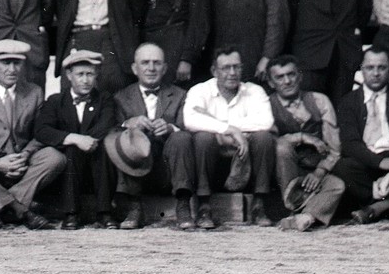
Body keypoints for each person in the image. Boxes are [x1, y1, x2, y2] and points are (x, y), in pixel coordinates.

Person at [0, 39, 65, 229]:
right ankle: (20, 209)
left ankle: (1, 206)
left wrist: (24, 156)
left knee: (55, 158)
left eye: (17, 63)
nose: (12, 69)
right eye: (5, 63)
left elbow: (40, 133)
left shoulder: (34, 92)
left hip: (21, 164)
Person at [181, 47, 278, 227]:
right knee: (203, 137)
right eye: (226, 68)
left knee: (264, 137)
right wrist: (231, 130)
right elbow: (190, 120)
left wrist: (222, 128)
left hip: (247, 163)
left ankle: (259, 205)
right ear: (214, 71)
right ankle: (204, 207)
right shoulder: (200, 91)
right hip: (210, 166)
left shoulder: (254, 91)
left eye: (237, 67)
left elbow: (266, 121)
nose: (232, 73)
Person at [108, 43, 199, 229]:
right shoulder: (120, 97)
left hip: (170, 170)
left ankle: (183, 206)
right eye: (145, 63)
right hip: (135, 173)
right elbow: (110, 134)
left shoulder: (180, 95)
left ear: (165, 68)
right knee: (126, 139)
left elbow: (189, 128)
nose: (151, 68)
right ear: (135, 68)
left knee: (181, 137)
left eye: (157, 63)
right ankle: (134, 208)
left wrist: (171, 128)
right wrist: (129, 124)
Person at [333, 46, 389, 224]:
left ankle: (376, 209)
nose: (376, 73)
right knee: (343, 166)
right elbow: (350, 143)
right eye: (370, 68)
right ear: (361, 69)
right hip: (366, 160)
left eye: (382, 68)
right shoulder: (348, 101)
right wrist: (380, 162)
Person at [36, 48, 118, 228]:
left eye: (90, 74)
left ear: (96, 75)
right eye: (80, 74)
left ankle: (104, 212)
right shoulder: (56, 101)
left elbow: (106, 123)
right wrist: (72, 137)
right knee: (72, 149)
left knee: (103, 148)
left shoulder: (104, 98)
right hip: (69, 169)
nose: (85, 80)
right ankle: (71, 213)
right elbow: (42, 130)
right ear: (69, 75)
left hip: (98, 164)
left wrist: (86, 140)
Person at [266, 55, 345, 231]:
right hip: (283, 172)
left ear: (300, 76)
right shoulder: (267, 105)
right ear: (271, 83)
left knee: (337, 185)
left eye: (291, 74)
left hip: (314, 170)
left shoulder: (319, 100)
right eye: (280, 77)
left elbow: (335, 147)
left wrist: (319, 172)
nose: (287, 81)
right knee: (281, 147)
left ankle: (303, 217)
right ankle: (293, 206)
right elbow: (270, 141)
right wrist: (301, 136)